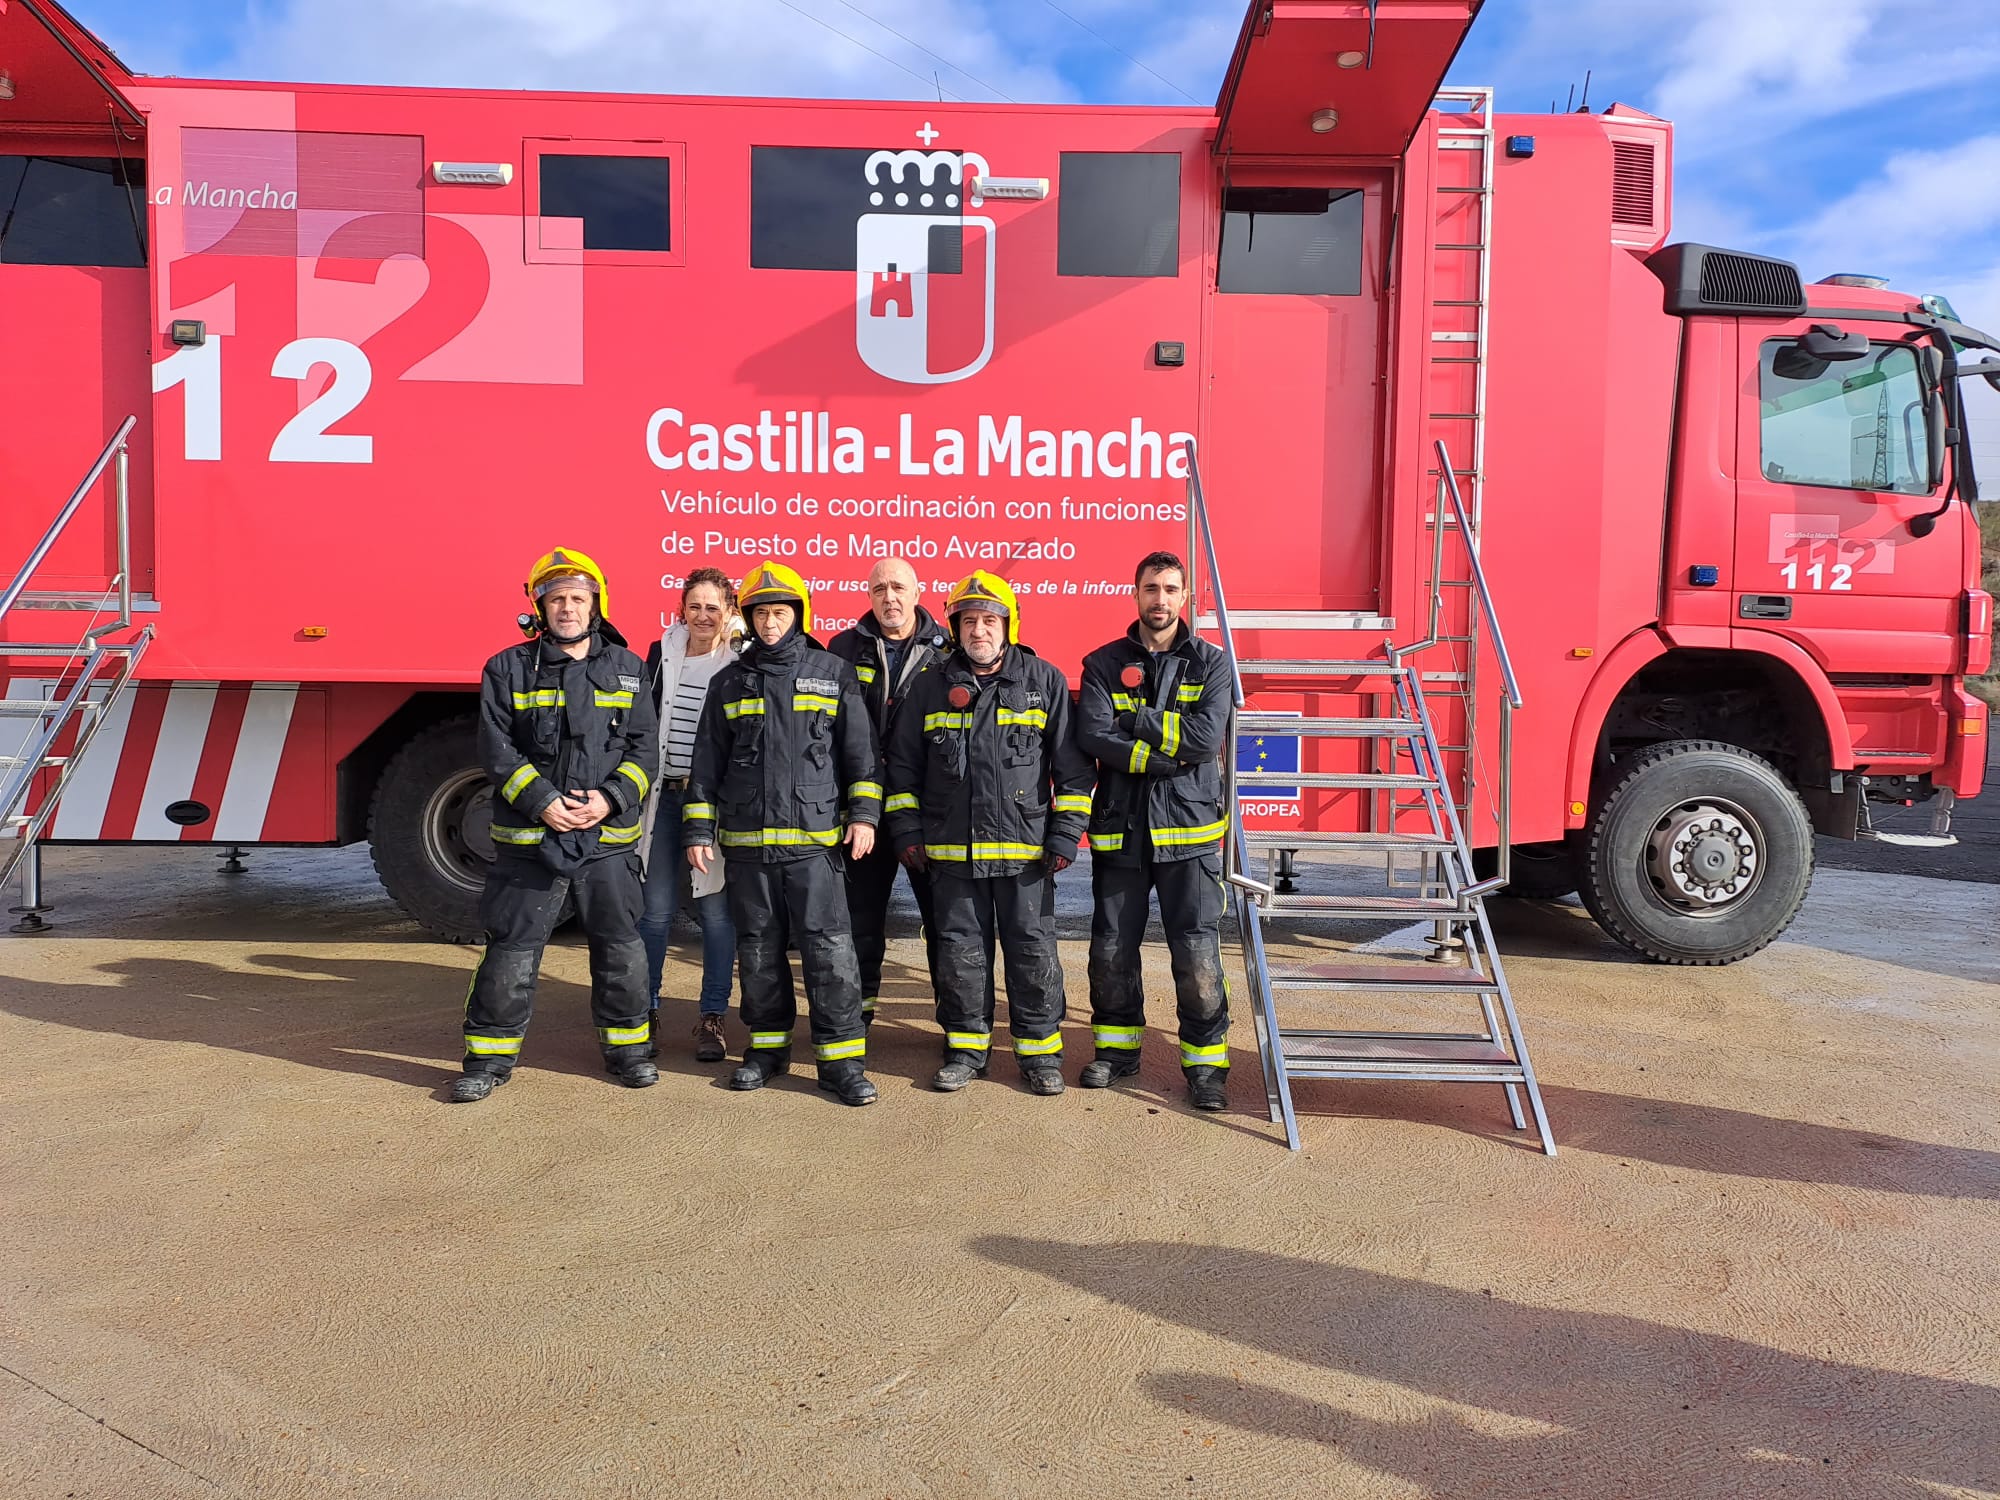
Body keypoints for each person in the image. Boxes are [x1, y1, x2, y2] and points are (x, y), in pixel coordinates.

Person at [452, 547, 660, 1103]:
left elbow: (645, 749)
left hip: (606, 841)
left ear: (596, 605)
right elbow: (496, 751)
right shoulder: (506, 668)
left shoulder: (629, 668)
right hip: (531, 840)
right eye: (556, 599)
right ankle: (487, 1060)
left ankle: (630, 1052)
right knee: (512, 951)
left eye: (577, 598)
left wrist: (611, 800)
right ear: (539, 607)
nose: (567, 608)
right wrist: (542, 801)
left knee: (620, 948)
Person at [884, 570, 1093, 1096]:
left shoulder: (1042, 682)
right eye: (969, 621)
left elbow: (1071, 769)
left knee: (1032, 950)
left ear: (1008, 625)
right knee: (960, 951)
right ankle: (966, 1048)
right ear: (955, 627)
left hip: (1027, 855)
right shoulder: (929, 685)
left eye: (989, 620)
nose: (979, 631)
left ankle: (1040, 1053)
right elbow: (903, 769)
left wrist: (1065, 834)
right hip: (951, 855)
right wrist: (907, 832)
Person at [683, 560, 883, 1107]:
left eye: (780, 612)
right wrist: (698, 828)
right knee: (760, 953)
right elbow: (707, 764)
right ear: (747, 617)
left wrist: (863, 817)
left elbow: (861, 756)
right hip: (748, 847)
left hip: (816, 845)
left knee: (830, 952)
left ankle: (841, 1063)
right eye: (762, 613)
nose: (771, 623)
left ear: (798, 614)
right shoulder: (729, 681)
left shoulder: (832, 672)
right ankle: (766, 1052)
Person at [1073, 550, 1233, 1111]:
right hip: (1123, 833)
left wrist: (1135, 722)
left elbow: (1203, 739)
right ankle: (1116, 1053)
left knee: (1197, 954)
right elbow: (1093, 735)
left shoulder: (1212, 664)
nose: (1159, 600)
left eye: (1170, 589)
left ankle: (1206, 1067)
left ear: (1185, 597)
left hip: (1188, 835)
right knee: (1111, 950)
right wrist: (1160, 757)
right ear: (1135, 594)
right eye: (1150, 588)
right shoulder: (1102, 663)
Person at [827, 558, 950, 1027]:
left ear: (919, 593)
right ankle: (855, 1022)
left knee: (946, 925)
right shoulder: (842, 649)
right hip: (862, 810)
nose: (889, 597)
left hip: (927, 810)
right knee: (859, 923)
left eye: (898, 587)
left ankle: (955, 1024)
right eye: (879, 589)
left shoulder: (947, 651)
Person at [639, 568, 743, 1063]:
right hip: (663, 798)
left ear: (730, 610)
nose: (703, 616)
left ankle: (713, 1017)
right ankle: (647, 1011)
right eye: (694, 606)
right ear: (682, 609)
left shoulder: (739, 660)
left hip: (714, 803)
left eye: (713, 606)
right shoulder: (662, 654)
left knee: (716, 915)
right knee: (654, 912)